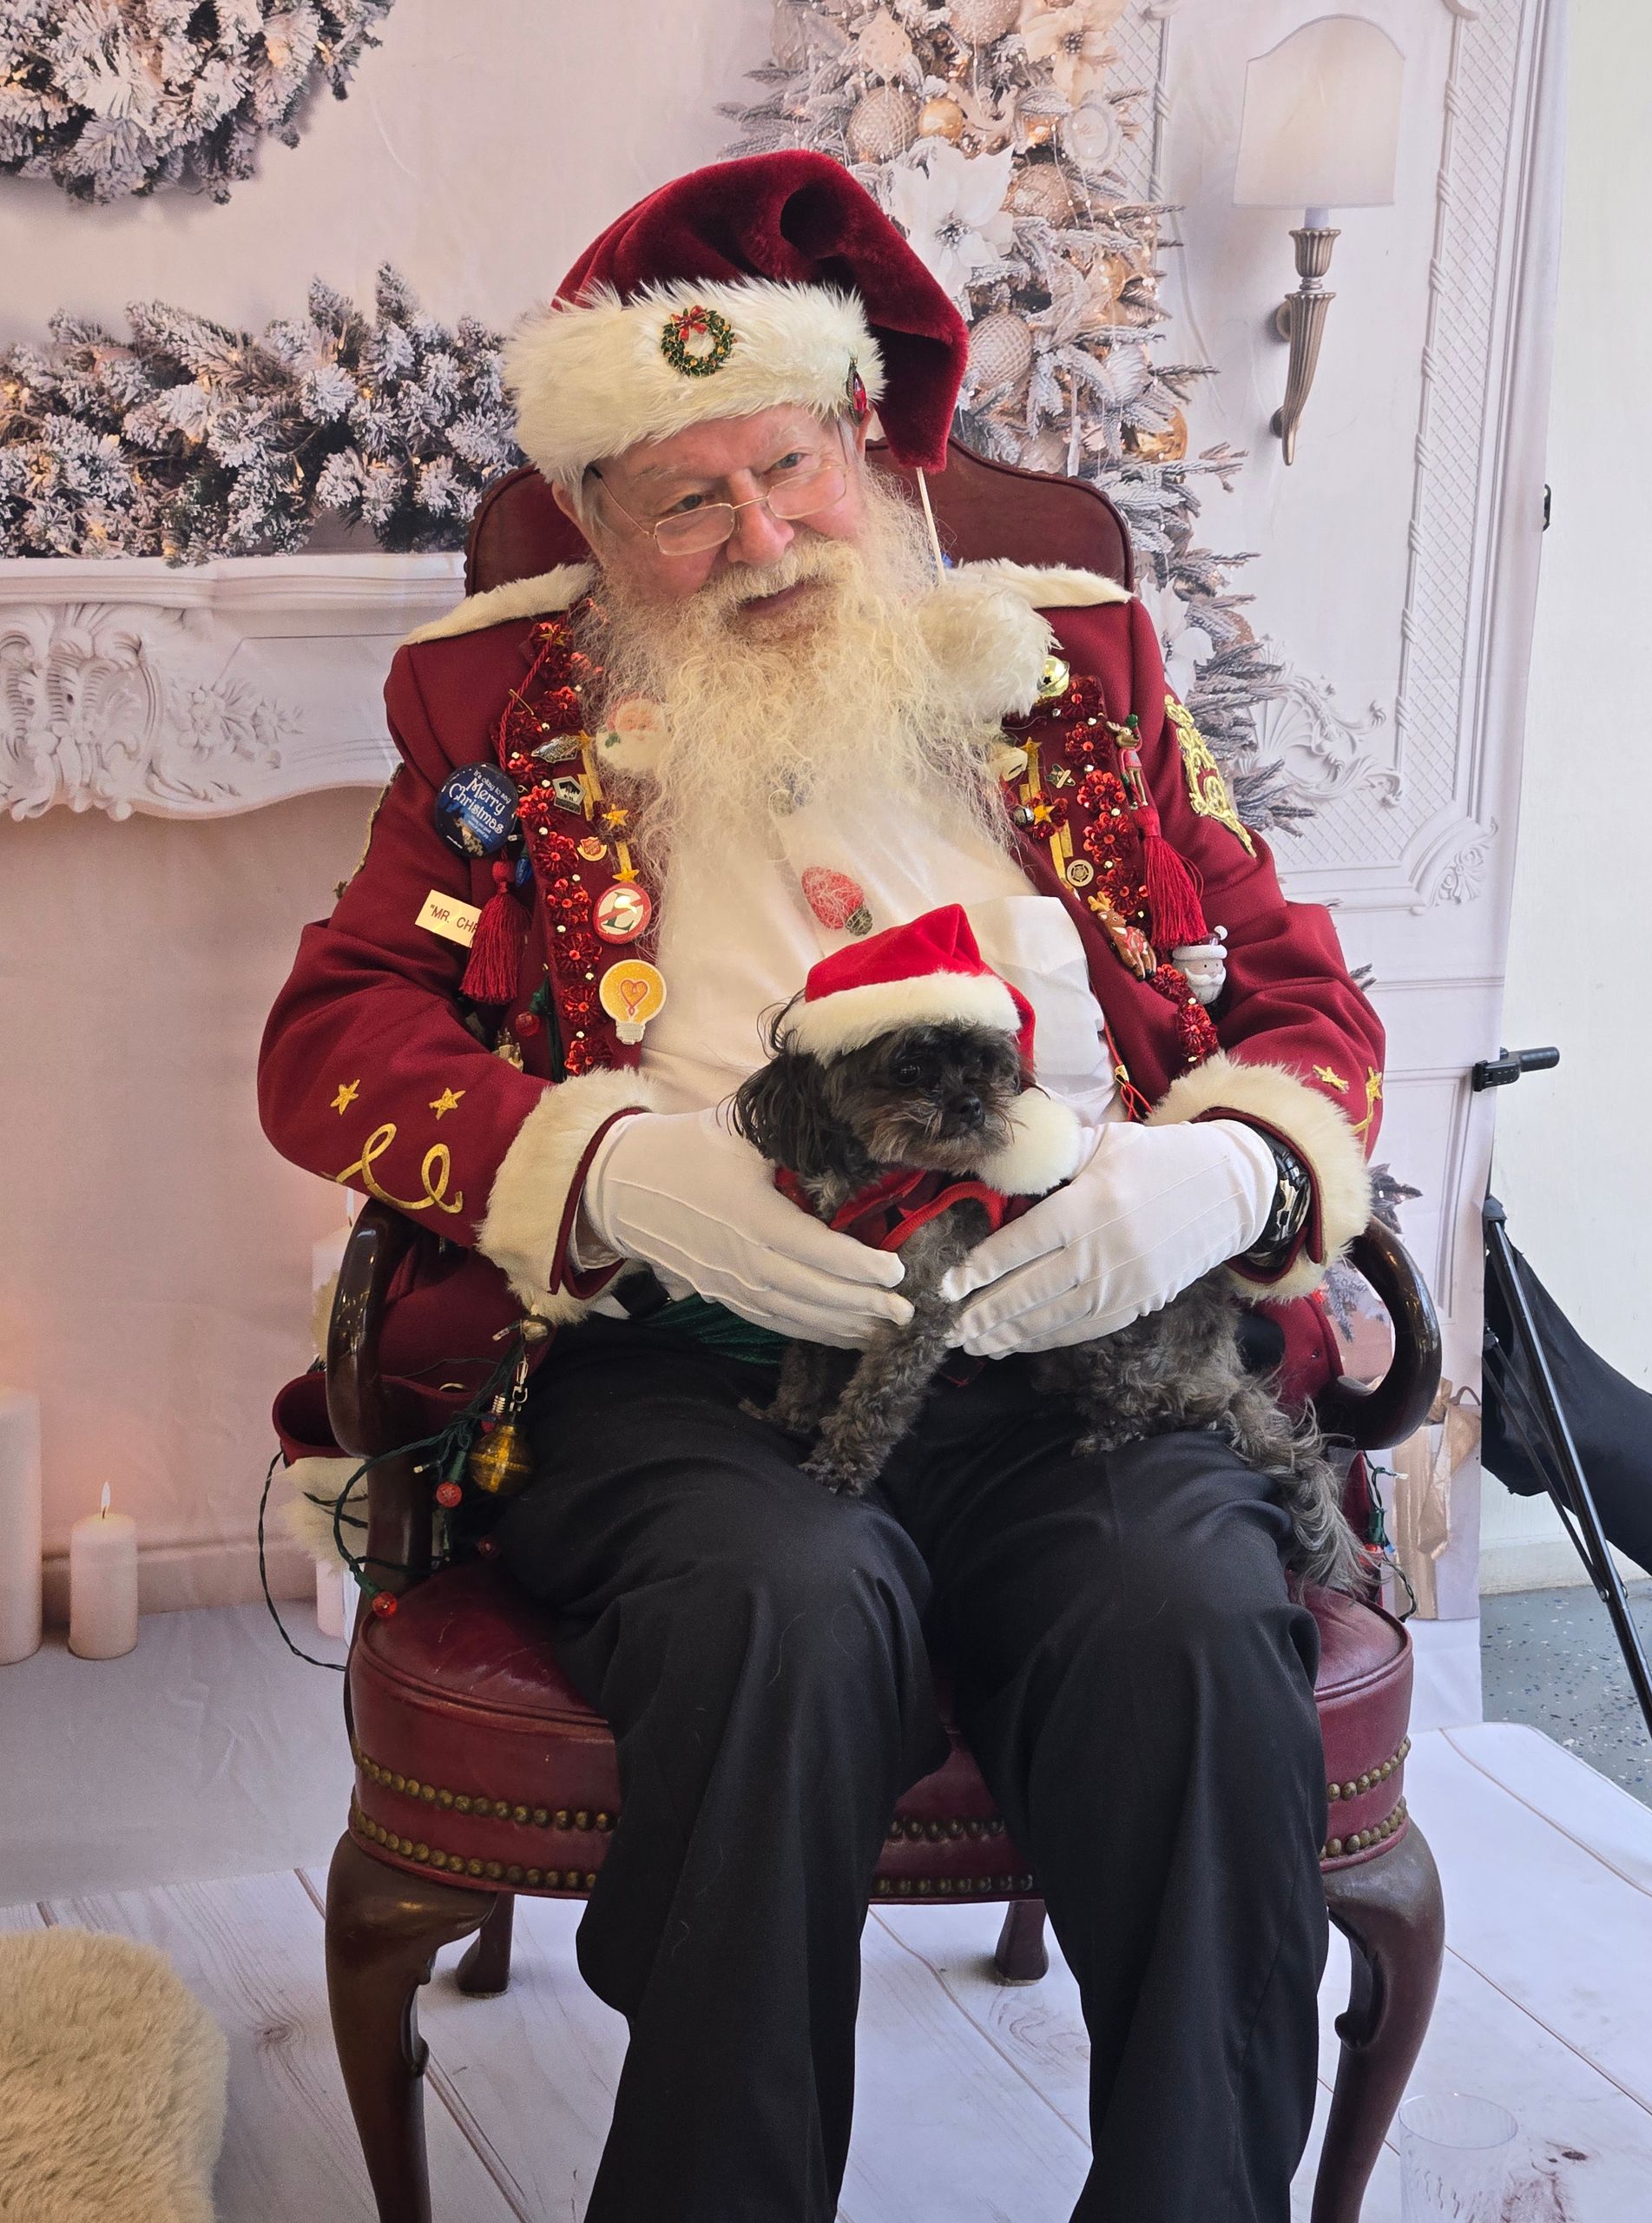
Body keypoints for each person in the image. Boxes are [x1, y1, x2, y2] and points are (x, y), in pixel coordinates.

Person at [260, 150, 1385, 2223]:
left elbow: (1306, 994)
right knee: (785, 1605)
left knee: (1183, 1615)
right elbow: (330, 1043)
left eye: (788, 469)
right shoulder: (496, 711)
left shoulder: (1083, 670)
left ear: (863, 440)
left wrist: (1219, 1176)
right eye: (690, 500)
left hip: (1081, 1354)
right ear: (601, 523)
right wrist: (599, 1168)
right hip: (688, 1368)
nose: (761, 539)